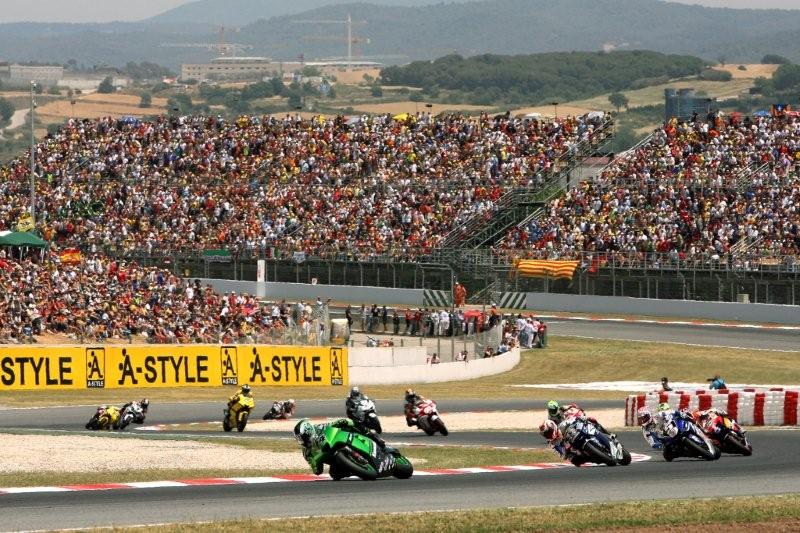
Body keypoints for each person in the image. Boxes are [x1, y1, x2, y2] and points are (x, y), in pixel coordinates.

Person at [294, 418, 386, 476]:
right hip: (334, 459)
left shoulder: (318, 428)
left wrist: (340, 422)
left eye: (303, 438)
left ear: (309, 431)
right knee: (334, 474)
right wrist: (318, 459)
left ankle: (375, 438)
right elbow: (317, 471)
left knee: (350, 423)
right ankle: (356, 470)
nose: (302, 441)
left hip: (338, 441)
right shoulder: (307, 453)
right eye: (299, 439)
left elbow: (332, 424)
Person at [546, 400, 611, 435]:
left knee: (591, 420)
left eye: (554, 409)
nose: (553, 411)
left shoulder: (561, 408)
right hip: (565, 430)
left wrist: (578, 408)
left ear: (557, 407)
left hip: (571, 421)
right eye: (551, 410)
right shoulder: (550, 419)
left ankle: (607, 433)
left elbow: (572, 406)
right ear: (549, 410)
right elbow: (554, 430)